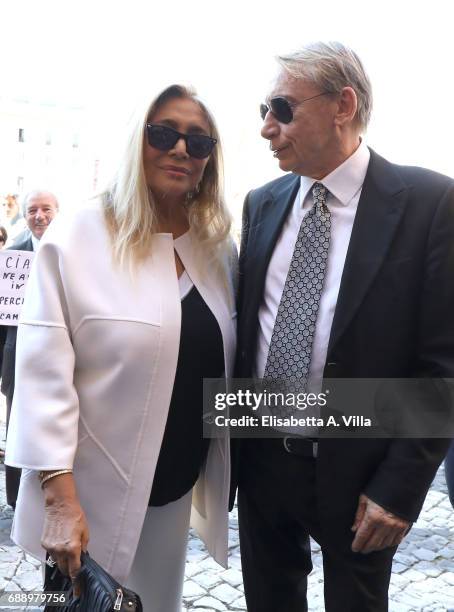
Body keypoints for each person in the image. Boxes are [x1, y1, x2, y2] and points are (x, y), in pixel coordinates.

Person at [234, 42, 454, 611]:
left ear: (343, 105)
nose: (266, 128)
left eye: (282, 109)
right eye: (265, 110)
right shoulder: (261, 203)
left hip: (362, 476)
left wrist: (400, 489)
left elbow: (443, 365)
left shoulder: (431, 202)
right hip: (262, 464)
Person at [6, 84, 236, 612]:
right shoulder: (79, 235)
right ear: (138, 141)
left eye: (198, 142)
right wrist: (59, 502)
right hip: (90, 503)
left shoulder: (215, 247)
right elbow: (41, 375)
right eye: (164, 134)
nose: (180, 149)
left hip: (172, 497)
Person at [0, 190, 59, 508]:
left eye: (46, 209)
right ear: (25, 216)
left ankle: (52, 493)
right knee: (17, 430)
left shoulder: (72, 253)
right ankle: (15, 498)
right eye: (33, 210)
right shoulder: (11, 256)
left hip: (59, 358)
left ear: (58, 213)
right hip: (18, 359)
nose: (39, 216)